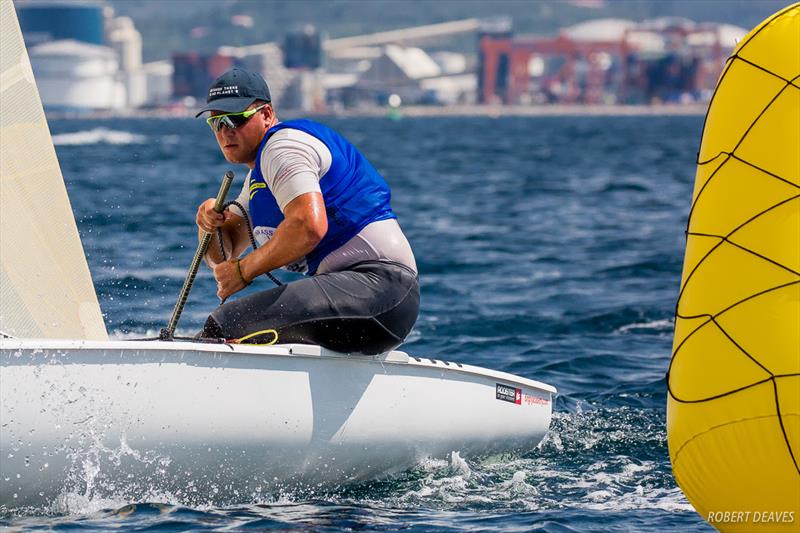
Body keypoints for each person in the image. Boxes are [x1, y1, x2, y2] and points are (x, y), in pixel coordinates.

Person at [194, 68, 419, 354]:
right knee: (236, 328)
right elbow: (223, 258)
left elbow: (308, 226)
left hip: (381, 289)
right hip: (365, 299)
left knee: (227, 323)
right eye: (217, 122)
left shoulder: (283, 148)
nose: (226, 130)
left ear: (266, 114)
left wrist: (245, 271)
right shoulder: (257, 181)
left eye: (237, 119)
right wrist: (207, 223)